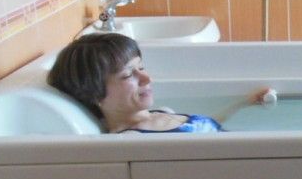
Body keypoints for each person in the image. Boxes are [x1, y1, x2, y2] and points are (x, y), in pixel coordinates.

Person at [47, 32, 271, 133]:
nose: (147, 78)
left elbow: (210, 127)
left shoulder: (161, 113)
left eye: (141, 67)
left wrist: (243, 104)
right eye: (128, 75)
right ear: (95, 93)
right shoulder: (133, 142)